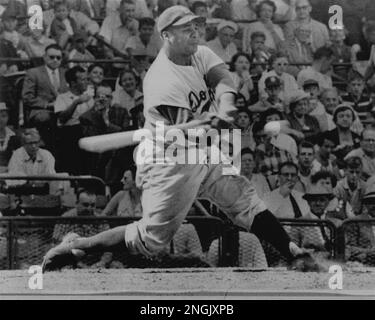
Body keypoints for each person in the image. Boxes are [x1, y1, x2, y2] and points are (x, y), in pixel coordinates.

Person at [42, 5, 312, 272]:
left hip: (201, 149)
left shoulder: (201, 53)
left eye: (196, 27)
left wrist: (225, 106)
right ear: (167, 35)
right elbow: (187, 127)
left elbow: (222, 81)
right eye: (186, 29)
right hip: (170, 158)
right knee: (149, 240)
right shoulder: (160, 79)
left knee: (245, 200)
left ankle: (292, 251)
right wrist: (209, 122)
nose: (195, 33)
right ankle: (78, 246)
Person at [22, 44, 69, 152]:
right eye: (52, 57)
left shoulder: (65, 72)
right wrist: (47, 104)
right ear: (44, 57)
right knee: (45, 118)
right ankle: (49, 151)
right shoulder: (34, 73)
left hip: (63, 109)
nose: (55, 60)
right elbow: (27, 97)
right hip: (42, 109)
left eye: (58, 58)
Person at [52, 189, 115, 269]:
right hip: (71, 264)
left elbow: (109, 248)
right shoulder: (65, 219)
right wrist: (76, 263)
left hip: (97, 265)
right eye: (85, 205)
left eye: (92, 205)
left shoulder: (101, 220)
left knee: (117, 266)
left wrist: (102, 263)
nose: (89, 209)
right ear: (77, 204)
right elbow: (56, 245)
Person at [54, 66, 94, 175]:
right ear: (73, 83)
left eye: (87, 79)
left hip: (88, 133)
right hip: (70, 135)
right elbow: (61, 118)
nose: (86, 82)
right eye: (83, 79)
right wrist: (76, 102)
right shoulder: (62, 98)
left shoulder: (89, 98)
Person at [0, 103, 20, 173]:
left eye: (3, 116)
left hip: (11, 175)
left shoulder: (14, 137)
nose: (0, 119)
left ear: (8, 117)